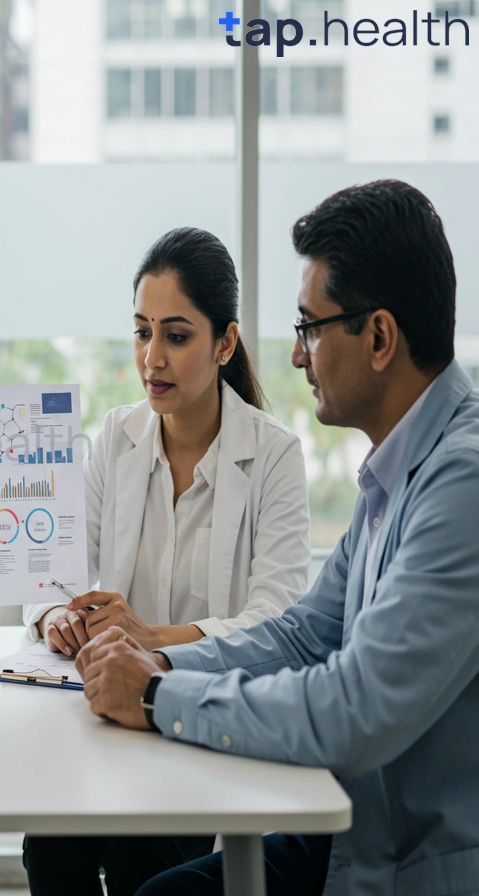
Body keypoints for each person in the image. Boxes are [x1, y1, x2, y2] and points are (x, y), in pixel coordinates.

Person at [75, 181, 479, 896]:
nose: (297, 357)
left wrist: (154, 698)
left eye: (311, 328)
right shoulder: (396, 471)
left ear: (379, 337)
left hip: (414, 863)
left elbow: (353, 708)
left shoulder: (462, 485)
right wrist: (156, 660)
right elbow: (303, 636)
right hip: (357, 831)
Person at [21, 227, 312, 896]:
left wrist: (152, 639)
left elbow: (277, 625)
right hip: (106, 717)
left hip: (201, 719)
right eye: (142, 332)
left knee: (145, 858)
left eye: (176, 336)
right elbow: (53, 572)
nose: (152, 357)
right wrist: (57, 618)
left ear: (225, 343)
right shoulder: (116, 437)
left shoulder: (274, 457)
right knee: (48, 845)